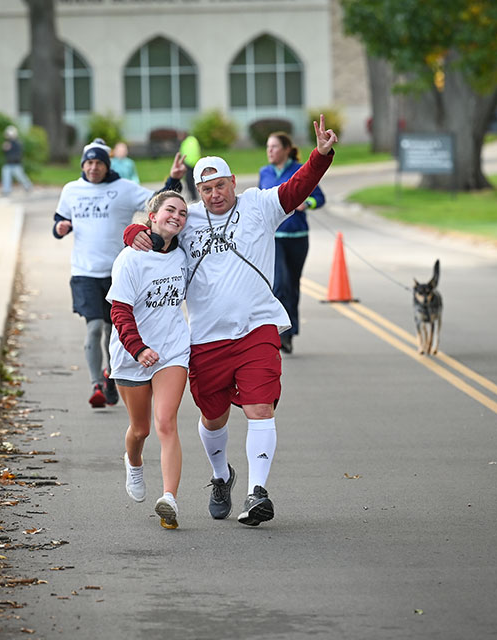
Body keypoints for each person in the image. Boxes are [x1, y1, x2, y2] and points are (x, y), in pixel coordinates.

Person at [124, 114, 338, 526]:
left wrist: (321, 156)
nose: (214, 195)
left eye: (220, 186)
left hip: (257, 327)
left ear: (233, 182)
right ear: (198, 192)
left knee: (260, 407)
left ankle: (257, 493)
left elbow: (298, 188)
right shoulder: (188, 220)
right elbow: (149, 228)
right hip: (206, 337)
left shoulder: (260, 204)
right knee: (213, 417)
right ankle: (221, 476)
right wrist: (130, 235)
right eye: (205, 189)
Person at [53, 138, 183, 409]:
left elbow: (157, 204)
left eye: (98, 162)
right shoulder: (71, 190)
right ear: (82, 165)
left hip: (118, 272)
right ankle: (96, 385)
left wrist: (173, 179)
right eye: (88, 162)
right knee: (93, 327)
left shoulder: (122, 188)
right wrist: (61, 228)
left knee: (115, 329)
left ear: (107, 165)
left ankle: (113, 376)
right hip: (84, 272)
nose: (93, 167)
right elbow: (59, 221)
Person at [107, 191, 190, 529]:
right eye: (170, 210)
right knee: (140, 430)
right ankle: (134, 463)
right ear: (151, 216)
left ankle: (169, 498)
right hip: (132, 354)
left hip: (172, 349)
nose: (178, 216)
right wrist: (138, 348)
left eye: (183, 213)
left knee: (165, 422)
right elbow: (119, 310)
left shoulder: (184, 255)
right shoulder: (130, 258)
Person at [259, 132, 326, 354]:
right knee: (280, 284)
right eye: (268, 146)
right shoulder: (264, 173)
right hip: (274, 239)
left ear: (287, 149)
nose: (270, 150)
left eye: (275, 146)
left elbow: (320, 198)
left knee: (293, 286)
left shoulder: (299, 169)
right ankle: (280, 334)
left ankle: (290, 333)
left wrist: (307, 203)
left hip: (297, 237)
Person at [1, 126, 33, 196]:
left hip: (16, 163)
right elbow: (5, 152)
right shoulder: (7, 143)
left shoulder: (17, 143)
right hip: (8, 163)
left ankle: (28, 186)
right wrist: (5, 149)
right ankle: (6, 190)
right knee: (6, 176)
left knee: (21, 176)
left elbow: (18, 153)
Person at [178, 133, 201, 201]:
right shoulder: (193, 140)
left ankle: (193, 196)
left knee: (189, 181)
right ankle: (195, 196)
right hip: (195, 162)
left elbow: (183, 153)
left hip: (188, 163)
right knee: (196, 180)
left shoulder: (185, 142)